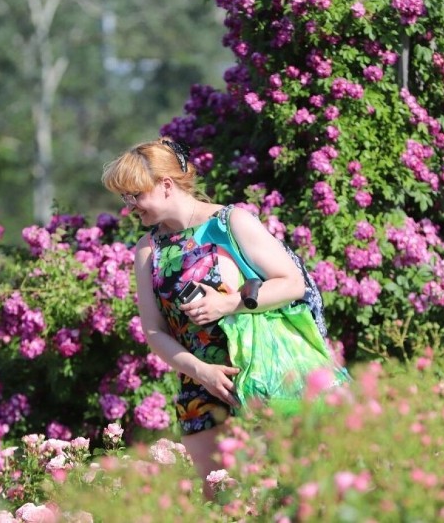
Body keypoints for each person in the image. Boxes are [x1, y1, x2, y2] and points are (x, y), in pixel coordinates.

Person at [102, 136, 316, 498]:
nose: (130, 207)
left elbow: (293, 284)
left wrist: (229, 304)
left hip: (262, 376)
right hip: (200, 389)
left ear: (166, 185)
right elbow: (153, 330)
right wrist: (200, 372)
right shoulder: (147, 250)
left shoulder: (230, 222)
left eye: (134, 195)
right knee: (221, 502)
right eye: (124, 198)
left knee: (285, 495)